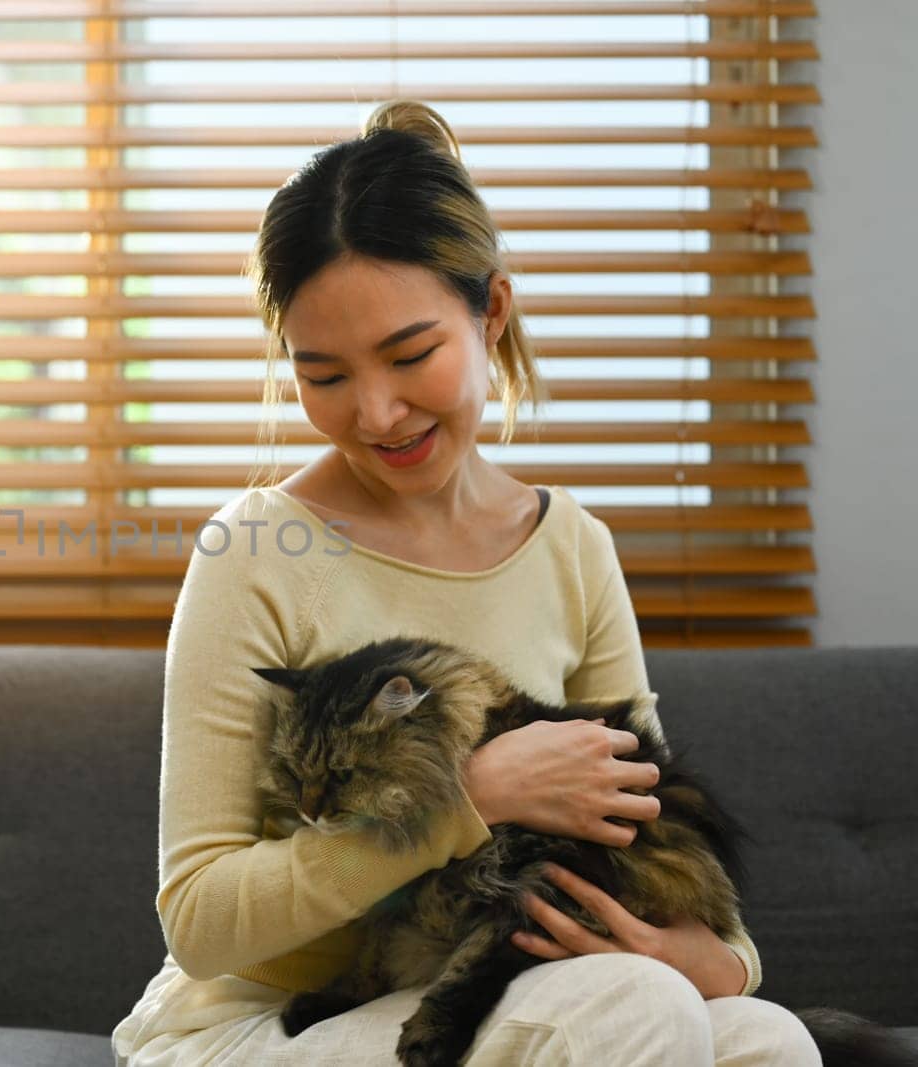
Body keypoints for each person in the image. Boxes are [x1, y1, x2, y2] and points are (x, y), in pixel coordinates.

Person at [110, 100, 819, 1066]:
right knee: (624, 1009)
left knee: (764, 1039)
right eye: (322, 376)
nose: (375, 412)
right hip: (267, 1023)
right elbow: (198, 918)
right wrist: (466, 800)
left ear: (490, 310)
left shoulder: (571, 548)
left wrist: (706, 957)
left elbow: (660, 823)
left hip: (503, 983)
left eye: (410, 356)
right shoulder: (254, 553)